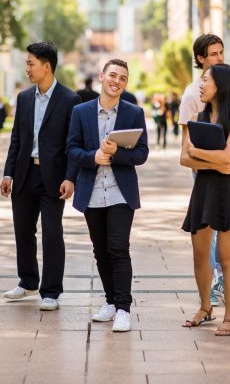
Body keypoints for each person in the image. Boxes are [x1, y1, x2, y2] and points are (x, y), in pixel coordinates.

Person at [67, 59, 149, 332]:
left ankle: (124, 308)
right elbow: (72, 150)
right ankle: (111, 302)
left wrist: (115, 155)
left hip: (120, 192)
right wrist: (94, 157)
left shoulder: (134, 113)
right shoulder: (80, 112)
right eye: (113, 75)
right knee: (100, 251)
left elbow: (141, 154)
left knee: (118, 247)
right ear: (102, 77)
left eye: (123, 78)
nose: (117, 81)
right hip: (91, 192)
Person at [0, 42, 81, 311]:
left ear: (47, 66)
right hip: (23, 175)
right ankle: (28, 281)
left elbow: (73, 144)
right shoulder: (23, 99)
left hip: (53, 178)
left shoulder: (70, 100)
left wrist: (71, 177)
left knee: (52, 233)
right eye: (27, 63)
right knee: (23, 231)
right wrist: (8, 172)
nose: (27, 68)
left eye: (31, 63)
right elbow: (16, 140)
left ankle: (51, 291)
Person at [178, 34, 230, 307]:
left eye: (221, 52)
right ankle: (205, 305)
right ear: (200, 58)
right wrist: (212, 160)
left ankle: (229, 311)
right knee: (201, 253)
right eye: (213, 54)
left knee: (225, 254)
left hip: (227, 184)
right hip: (204, 181)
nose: (220, 57)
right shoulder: (192, 100)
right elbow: (185, 157)